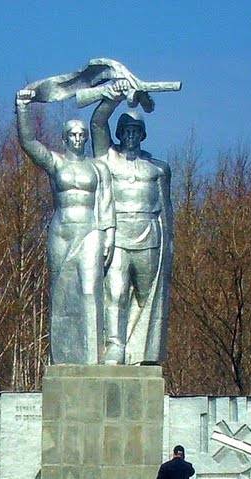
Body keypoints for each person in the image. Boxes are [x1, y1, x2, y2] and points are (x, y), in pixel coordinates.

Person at [16, 89, 115, 365]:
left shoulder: (98, 169)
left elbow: (106, 204)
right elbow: (28, 141)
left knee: (89, 290)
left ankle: (92, 358)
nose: (78, 139)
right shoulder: (55, 162)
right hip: (61, 231)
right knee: (60, 292)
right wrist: (23, 107)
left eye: (82, 135)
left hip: (90, 231)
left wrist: (109, 235)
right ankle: (62, 358)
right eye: (73, 134)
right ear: (64, 138)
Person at [91, 87, 173, 364]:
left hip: (149, 234)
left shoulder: (158, 168)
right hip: (117, 236)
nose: (130, 135)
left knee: (146, 296)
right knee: (115, 293)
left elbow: (167, 208)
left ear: (142, 134)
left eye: (135, 131)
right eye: (125, 130)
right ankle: (115, 346)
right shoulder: (107, 158)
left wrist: (169, 245)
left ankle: (141, 352)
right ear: (119, 133)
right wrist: (116, 95)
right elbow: (97, 122)